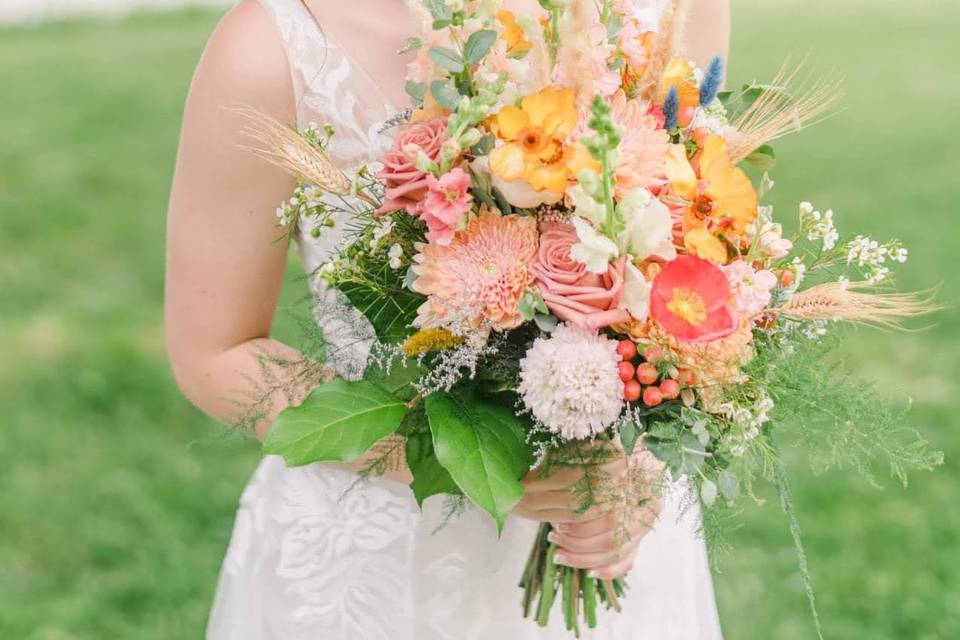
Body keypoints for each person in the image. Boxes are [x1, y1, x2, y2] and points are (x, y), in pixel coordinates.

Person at [165, 0, 730, 637]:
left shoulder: (676, 10)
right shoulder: (270, 47)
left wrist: (646, 457)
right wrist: (476, 463)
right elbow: (214, 351)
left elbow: (700, 250)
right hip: (383, 554)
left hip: (608, 528)